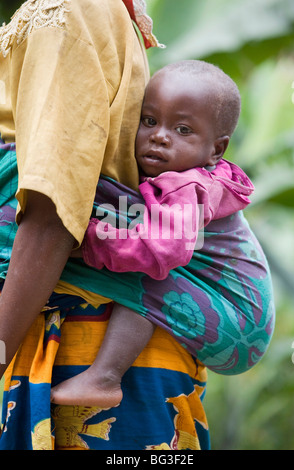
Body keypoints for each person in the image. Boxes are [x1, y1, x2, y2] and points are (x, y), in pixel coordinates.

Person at [0, 0, 212, 451]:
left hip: (68, 347)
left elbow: (54, 210)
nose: (158, 134)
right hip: (87, 342)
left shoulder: (71, 9)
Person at [50, 60, 275, 409]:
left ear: (217, 150)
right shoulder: (179, 174)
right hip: (226, 312)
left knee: (147, 268)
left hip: (240, 325)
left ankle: (105, 377)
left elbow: (160, 250)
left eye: (182, 130)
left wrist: (83, 240)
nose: (159, 135)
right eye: (149, 121)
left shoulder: (191, 186)